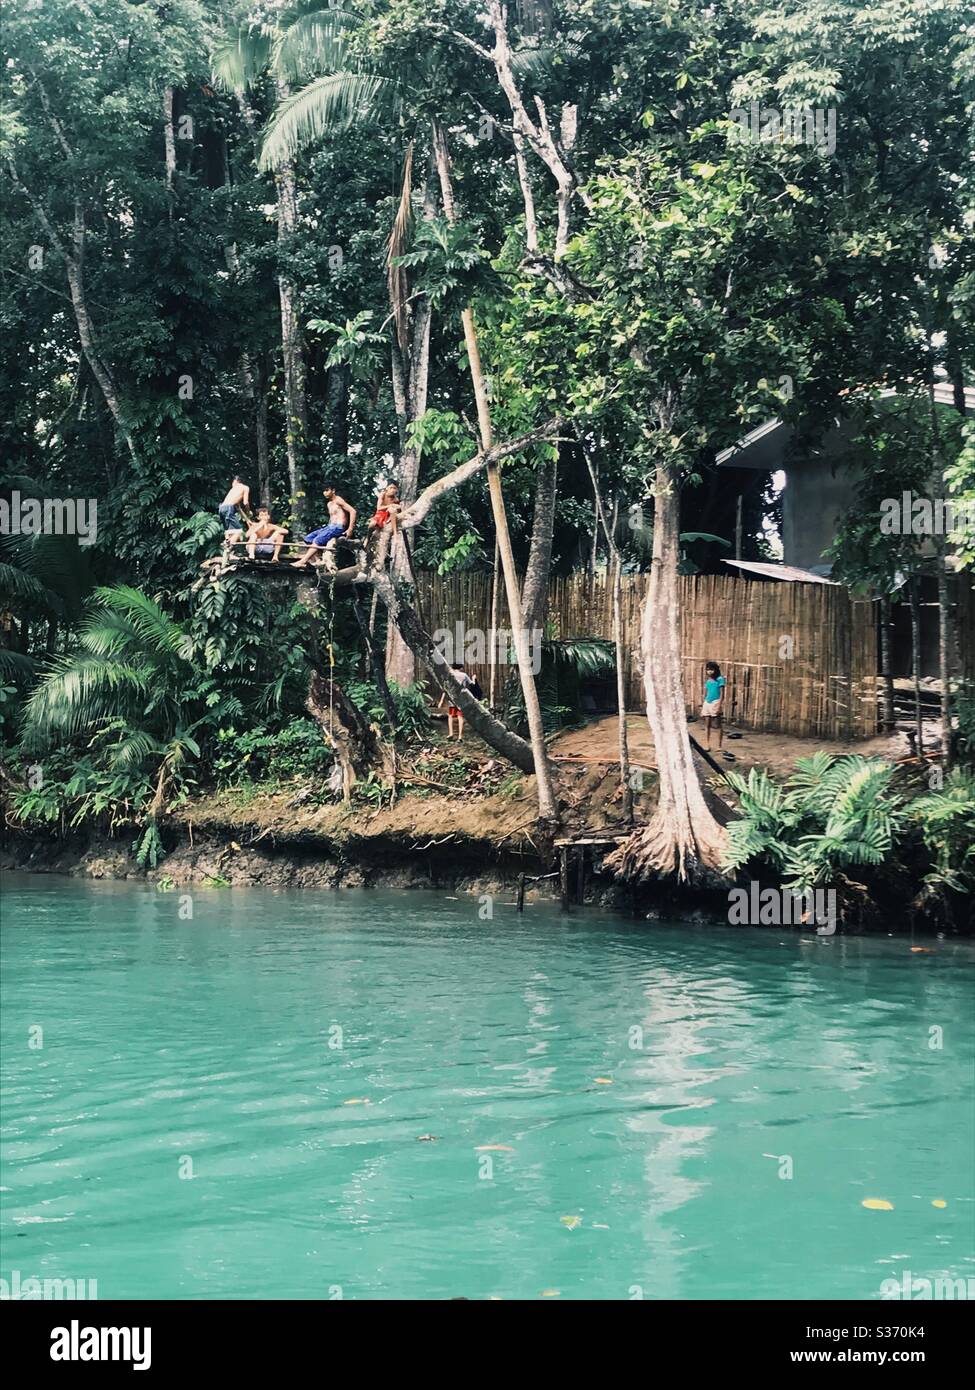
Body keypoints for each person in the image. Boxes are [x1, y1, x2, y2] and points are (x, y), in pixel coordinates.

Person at [291, 485, 357, 568]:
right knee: (308, 538)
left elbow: (353, 511)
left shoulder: (339, 500)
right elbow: (332, 518)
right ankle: (318, 561)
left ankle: (303, 561)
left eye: (327, 490)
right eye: (324, 491)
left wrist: (350, 529)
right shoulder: (329, 504)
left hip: (338, 527)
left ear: (333, 490)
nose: (325, 493)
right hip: (329, 527)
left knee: (317, 540)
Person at [438, 663, 479, 742]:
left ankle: (451, 734)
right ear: (461, 668)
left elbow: (446, 688)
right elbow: (472, 684)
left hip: (452, 698)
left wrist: (441, 701)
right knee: (460, 716)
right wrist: (474, 678)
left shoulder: (450, 675)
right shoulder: (464, 675)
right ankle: (460, 737)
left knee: (451, 716)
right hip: (461, 698)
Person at [701, 660, 732, 758]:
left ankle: (719, 745)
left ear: (715, 670)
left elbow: (722, 693)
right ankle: (707, 744)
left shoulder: (720, 679)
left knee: (717, 725)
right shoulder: (708, 681)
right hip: (707, 702)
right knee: (707, 724)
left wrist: (719, 704)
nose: (709, 672)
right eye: (708, 670)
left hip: (715, 702)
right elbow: (706, 692)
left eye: (711, 670)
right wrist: (704, 702)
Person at [219, 476, 250, 547]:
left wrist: (247, 519)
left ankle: (227, 552)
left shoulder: (233, 490)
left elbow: (238, 509)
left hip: (221, 508)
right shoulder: (245, 488)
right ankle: (228, 547)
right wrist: (248, 511)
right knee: (238, 531)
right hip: (229, 508)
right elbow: (245, 502)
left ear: (235, 481)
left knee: (229, 531)